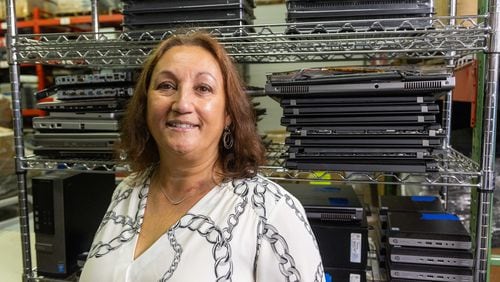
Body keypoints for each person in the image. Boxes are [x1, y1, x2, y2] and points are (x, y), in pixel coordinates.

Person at [80, 32, 325, 282]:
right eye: (166, 86)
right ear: (145, 105)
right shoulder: (127, 190)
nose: (182, 103)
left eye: (203, 88)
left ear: (228, 113)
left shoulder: (271, 213)